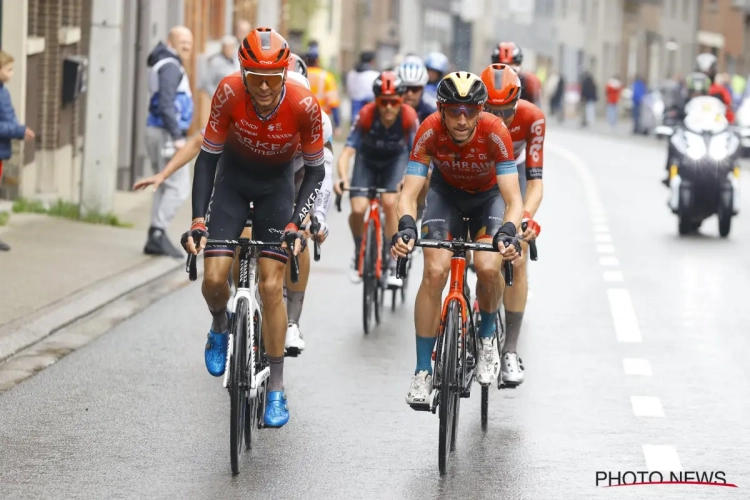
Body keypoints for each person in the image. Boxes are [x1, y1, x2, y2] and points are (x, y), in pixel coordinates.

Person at [183, 28, 325, 428]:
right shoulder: (228, 92)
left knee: (269, 286)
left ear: (285, 74)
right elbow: (207, 159)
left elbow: (315, 171)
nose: (263, 87)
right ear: (242, 72)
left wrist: (297, 222)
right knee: (213, 279)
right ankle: (220, 325)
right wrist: (197, 220)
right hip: (233, 179)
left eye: (272, 78)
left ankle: (277, 388)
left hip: (276, 186)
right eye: (255, 77)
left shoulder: (304, 104)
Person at [391, 72, 523, 405]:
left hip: (487, 198)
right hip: (445, 196)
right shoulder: (429, 129)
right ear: (441, 109)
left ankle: (489, 336)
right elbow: (408, 193)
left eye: (469, 111)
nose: (461, 119)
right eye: (453, 111)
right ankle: (423, 371)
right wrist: (406, 224)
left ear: (481, 110)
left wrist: (508, 230)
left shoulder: (496, 131)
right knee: (434, 271)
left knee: (489, 265)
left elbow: (513, 198)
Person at [480, 64, 544, 386]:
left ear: (518, 103)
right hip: (478, 175)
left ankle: (510, 351)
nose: (500, 119)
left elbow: (534, 182)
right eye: (491, 110)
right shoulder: (466, 119)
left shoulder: (533, 118)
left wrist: (526, 218)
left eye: (506, 111)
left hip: (513, 176)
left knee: (517, 254)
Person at [335, 71, 419, 287]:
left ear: (401, 100)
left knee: (391, 203)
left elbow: (416, 156)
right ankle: (358, 250)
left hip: (395, 161)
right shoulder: (365, 114)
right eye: (384, 102)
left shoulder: (409, 117)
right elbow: (347, 152)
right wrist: (343, 178)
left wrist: (406, 181)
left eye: (393, 102)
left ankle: (392, 262)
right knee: (357, 208)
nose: (389, 107)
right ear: (376, 101)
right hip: (367, 161)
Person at [144, 26, 194, 258]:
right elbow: (166, 103)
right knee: (178, 186)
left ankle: (155, 235)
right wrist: (177, 136)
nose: (186, 46)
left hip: (157, 129)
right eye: (182, 41)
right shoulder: (171, 67)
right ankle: (157, 232)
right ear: (169, 42)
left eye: (189, 42)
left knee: (163, 184)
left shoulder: (164, 64)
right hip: (166, 133)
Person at [0, 51, 35, 252]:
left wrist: (20, 130)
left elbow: (9, 117)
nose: (12, 74)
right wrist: (18, 130)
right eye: (9, 70)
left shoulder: (3, 91)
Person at [306, 41, 342, 138]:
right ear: (317, 60)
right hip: (322, 120)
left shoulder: (301, 74)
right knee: (325, 150)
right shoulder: (326, 77)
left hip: (303, 118)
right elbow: (333, 103)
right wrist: (337, 125)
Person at [492, 42, 541, 107]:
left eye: (512, 69)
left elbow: (536, 110)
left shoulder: (529, 82)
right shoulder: (487, 80)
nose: (507, 73)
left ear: (520, 66)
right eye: (502, 68)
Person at [695, 53, 734, 124]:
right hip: (695, 123)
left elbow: (729, 109)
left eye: (709, 73)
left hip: (716, 124)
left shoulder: (720, 90)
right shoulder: (692, 89)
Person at [346, 51, 379, 120]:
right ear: (372, 61)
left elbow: (349, 90)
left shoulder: (351, 73)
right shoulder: (374, 75)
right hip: (370, 105)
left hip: (355, 105)